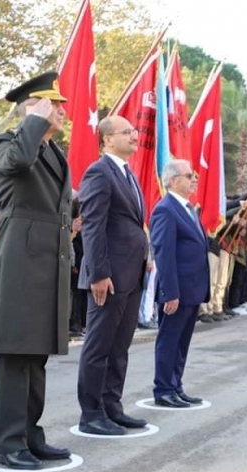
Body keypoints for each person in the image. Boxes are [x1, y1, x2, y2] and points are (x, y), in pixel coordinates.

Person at [0, 72, 73, 470]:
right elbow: (15, 162)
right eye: (56, 105)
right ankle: (10, 443)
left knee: (36, 358)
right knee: (17, 357)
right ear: (36, 107)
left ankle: (32, 435)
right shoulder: (7, 142)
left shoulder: (54, 151)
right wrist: (33, 119)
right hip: (21, 262)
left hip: (47, 262)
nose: (63, 112)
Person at [76, 115, 149, 436]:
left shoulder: (128, 174)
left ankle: (112, 406)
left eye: (134, 131)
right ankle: (91, 414)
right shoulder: (99, 172)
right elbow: (92, 226)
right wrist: (98, 273)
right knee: (99, 346)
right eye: (127, 132)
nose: (135, 136)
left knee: (119, 346)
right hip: (108, 278)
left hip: (131, 276)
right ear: (107, 140)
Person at [150, 159, 210, 408]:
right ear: (173, 181)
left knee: (182, 342)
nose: (194, 179)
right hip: (177, 291)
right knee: (169, 340)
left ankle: (176, 385)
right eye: (189, 175)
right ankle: (163, 389)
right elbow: (164, 253)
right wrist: (170, 292)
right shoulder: (166, 209)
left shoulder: (188, 208)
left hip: (192, 289)